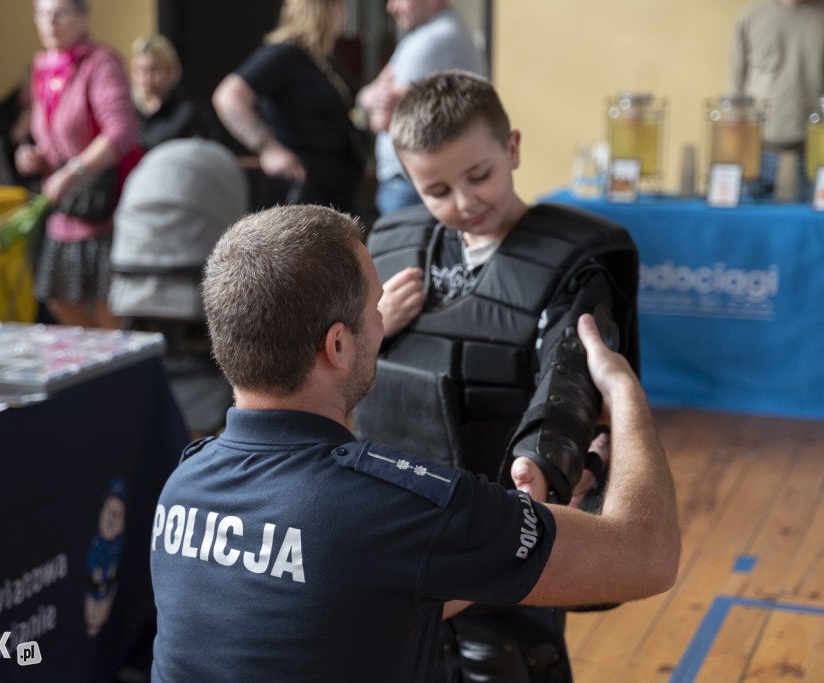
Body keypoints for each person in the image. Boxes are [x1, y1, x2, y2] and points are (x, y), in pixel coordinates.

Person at [148, 203, 679, 682]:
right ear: (337, 344)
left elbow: (374, 587)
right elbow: (648, 557)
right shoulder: (399, 507)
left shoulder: (181, 485)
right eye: (376, 308)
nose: (382, 323)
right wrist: (623, 389)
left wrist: (520, 523)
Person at [351, 71, 642, 682]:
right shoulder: (389, 250)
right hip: (396, 514)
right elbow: (326, 363)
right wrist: (372, 327)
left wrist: (548, 463)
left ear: (511, 148)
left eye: (478, 175)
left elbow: (569, 378)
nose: (463, 201)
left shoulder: (571, 261)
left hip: (506, 510)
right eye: (436, 189)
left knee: (506, 657)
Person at [15, 0, 142, 329]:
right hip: (65, 205)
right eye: (42, 14)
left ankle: (117, 372)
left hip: (102, 202)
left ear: (83, 16)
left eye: (59, 13)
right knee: (59, 300)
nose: (49, 23)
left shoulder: (100, 62)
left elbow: (122, 131)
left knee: (107, 306)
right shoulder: (42, 65)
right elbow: (54, 136)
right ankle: (96, 368)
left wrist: (72, 171)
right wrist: (37, 156)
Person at [212, 0, 365, 214]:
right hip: (303, 192)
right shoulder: (284, 53)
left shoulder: (322, 58)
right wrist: (268, 147)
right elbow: (228, 96)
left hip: (334, 189)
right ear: (326, 9)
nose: (344, 13)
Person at [356, 0, 486, 216]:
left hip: (413, 184)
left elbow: (381, 121)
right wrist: (371, 96)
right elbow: (365, 95)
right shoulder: (424, 36)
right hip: (413, 180)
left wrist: (371, 98)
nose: (391, 7)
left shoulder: (433, 40)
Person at [730, 0, 824, 201]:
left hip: (816, 155)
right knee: (748, 229)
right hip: (756, 153)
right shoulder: (750, 16)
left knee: (811, 230)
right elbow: (736, 92)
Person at [130, 34, 213, 151]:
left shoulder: (188, 114)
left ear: (169, 70)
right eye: (141, 70)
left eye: (153, 69)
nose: (146, 78)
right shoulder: (129, 110)